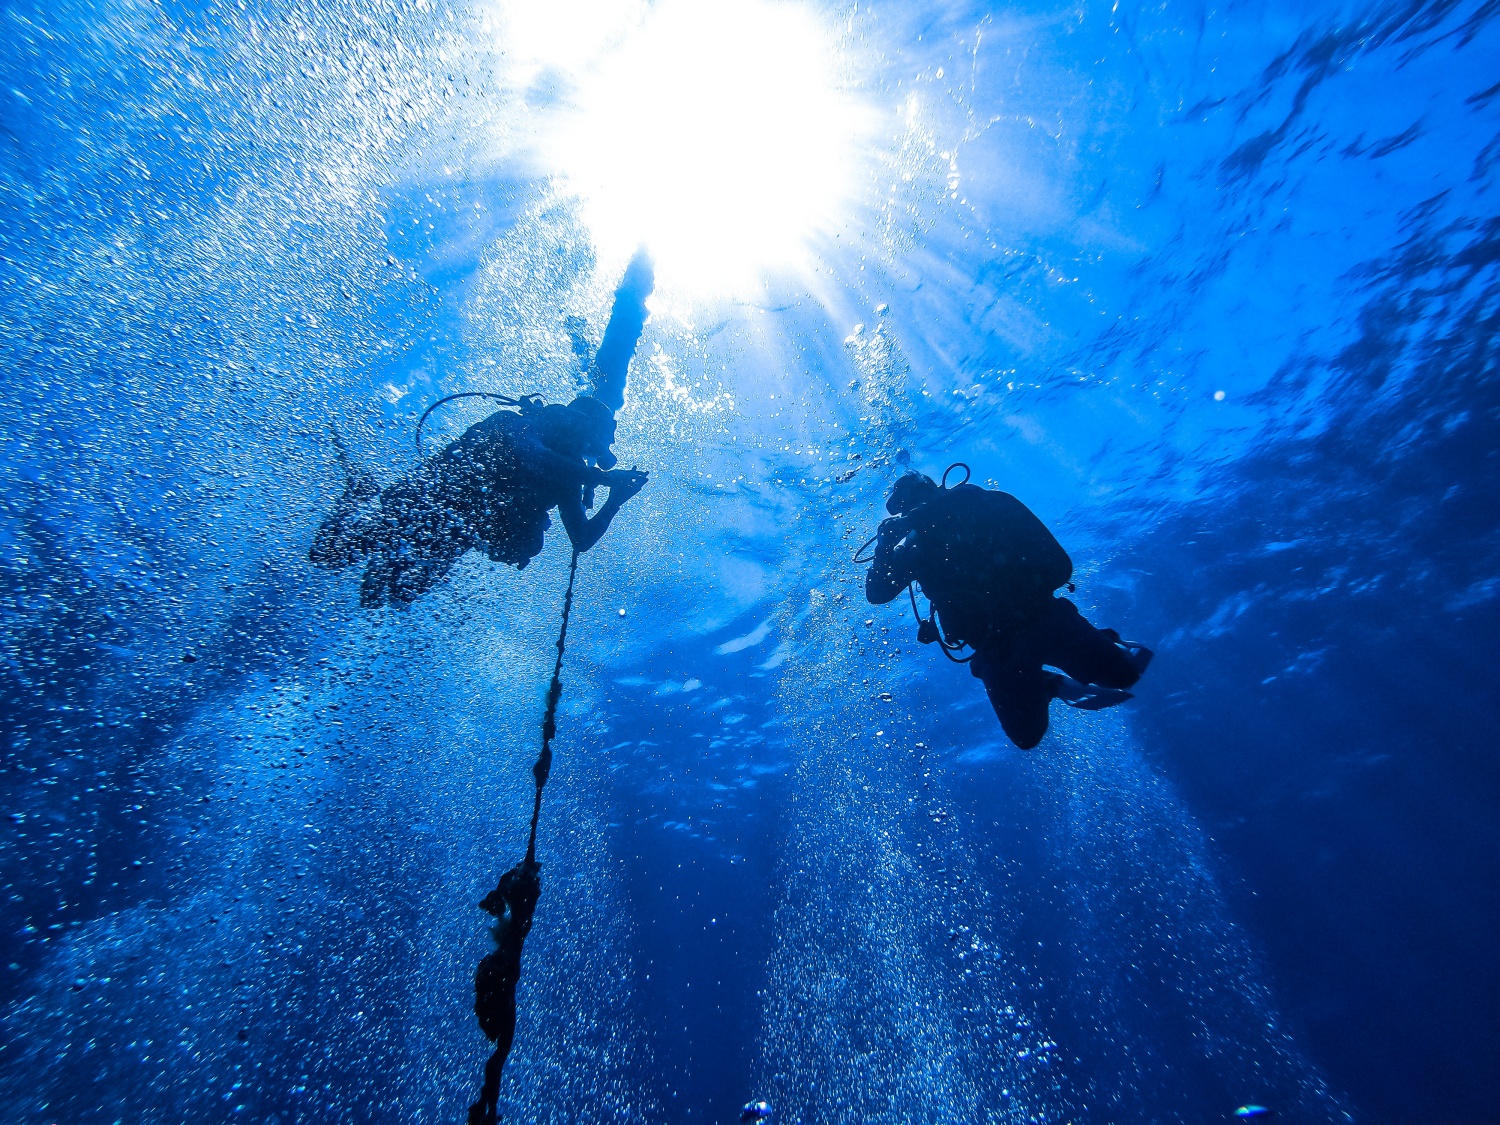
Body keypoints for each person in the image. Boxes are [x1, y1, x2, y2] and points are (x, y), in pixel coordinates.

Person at [864, 470, 1151, 749]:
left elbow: (1060, 567)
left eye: (921, 500)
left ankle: (1104, 642)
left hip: (1044, 617)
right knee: (1026, 736)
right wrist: (884, 549)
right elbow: (877, 594)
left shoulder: (987, 506)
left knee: (1125, 676)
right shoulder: (915, 551)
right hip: (995, 648)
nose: (918, 512)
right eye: (907, 509)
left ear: (940, 492)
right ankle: (1050, 684)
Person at [310, 395, 647, 607]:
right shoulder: (517, 423)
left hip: (459, 533)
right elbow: (531, 455)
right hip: (430, 498)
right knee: (326, 555)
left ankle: (363, 507)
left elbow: (582, 539)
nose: (591, 456)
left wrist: (615, 501)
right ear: (578, 423)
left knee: (383, 596)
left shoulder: (569, 475)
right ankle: (358, 494)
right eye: (596, 441)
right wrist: (603, 479)